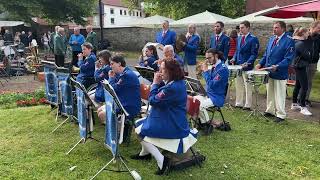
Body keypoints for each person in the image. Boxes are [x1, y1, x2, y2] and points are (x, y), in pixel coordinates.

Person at [132, 59, 197, 175]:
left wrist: (155, 84)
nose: (159, 71)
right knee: (139, 123)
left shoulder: (172, 88)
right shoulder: (178, 82)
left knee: (140, 131)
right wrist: (158, 83)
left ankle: (162, 161)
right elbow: (165, 89)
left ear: (169, 71)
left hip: (173, 124)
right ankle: (144, 154)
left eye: (162, 69)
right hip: (173, 118)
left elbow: (152, 100)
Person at [256, 21, 295, 123]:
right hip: (269, 71)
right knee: (270, 92)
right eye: (273, 27)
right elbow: (266, 54)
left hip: (280, 72)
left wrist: (278, 66)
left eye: (276, 28)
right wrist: (260, 63)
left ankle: (281, 114)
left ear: (283, 29)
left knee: (279, 94)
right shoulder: (272, 39)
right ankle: (270, 110)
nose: (274, 29)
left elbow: (288, 58)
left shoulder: (289, 41)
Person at [97, 55, 141, 140]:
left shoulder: (126, 75)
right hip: (122, 101)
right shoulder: (122, 73)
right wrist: (112, 78)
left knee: (102, 114)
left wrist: (111, 78)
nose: (110, 66)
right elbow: (112, 88)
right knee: (99, 110)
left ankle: (117, 131)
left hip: (129, 106)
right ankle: (117, 129)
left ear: (119, 64)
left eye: (112, 63)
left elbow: (113, 89)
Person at [194, 48, 229, 124]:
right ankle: (202, 121)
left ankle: (206, 124)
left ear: (216, 56)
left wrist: (206, 71)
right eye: (206, 58)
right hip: (208, 94)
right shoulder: (214, 66)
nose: (208, 60)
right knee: (192, 100)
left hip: (217, 97)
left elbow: (211, 84)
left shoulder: (223, 69)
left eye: (209, 58)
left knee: (200, 106)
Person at [231, 20, 260, 110]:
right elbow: (237, 50)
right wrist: (234, 58)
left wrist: (248, 62)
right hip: (238, 65)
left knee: (248, 86)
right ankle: (239, 103)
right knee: (238, 85)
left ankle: (248, 105)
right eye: (240, 28)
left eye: (242, 28)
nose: (240, 29)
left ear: (248, 28)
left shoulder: (253, 39)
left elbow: (254, 54)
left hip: (247, 66)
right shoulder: (239, 38)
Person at [291, 27, 312, 116]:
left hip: (297, 66)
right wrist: (309, 53)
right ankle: (302, 106)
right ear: (303, 33)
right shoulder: (300, 43)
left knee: (298, 85)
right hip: (300, 66)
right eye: (307, 33)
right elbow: (307, 56)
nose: (308, 34)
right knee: (305, 87)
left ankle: (294, 103)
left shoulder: (295, 41)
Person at [302, 21, 320, 107]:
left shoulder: (319, 37)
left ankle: (305, 99)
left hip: (313, 62)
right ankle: (299, 99)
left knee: (309, 81)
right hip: (303, 62)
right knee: (302, 81)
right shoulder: (305, 35)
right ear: (313, 27)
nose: (319, 30)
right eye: (318, 28)